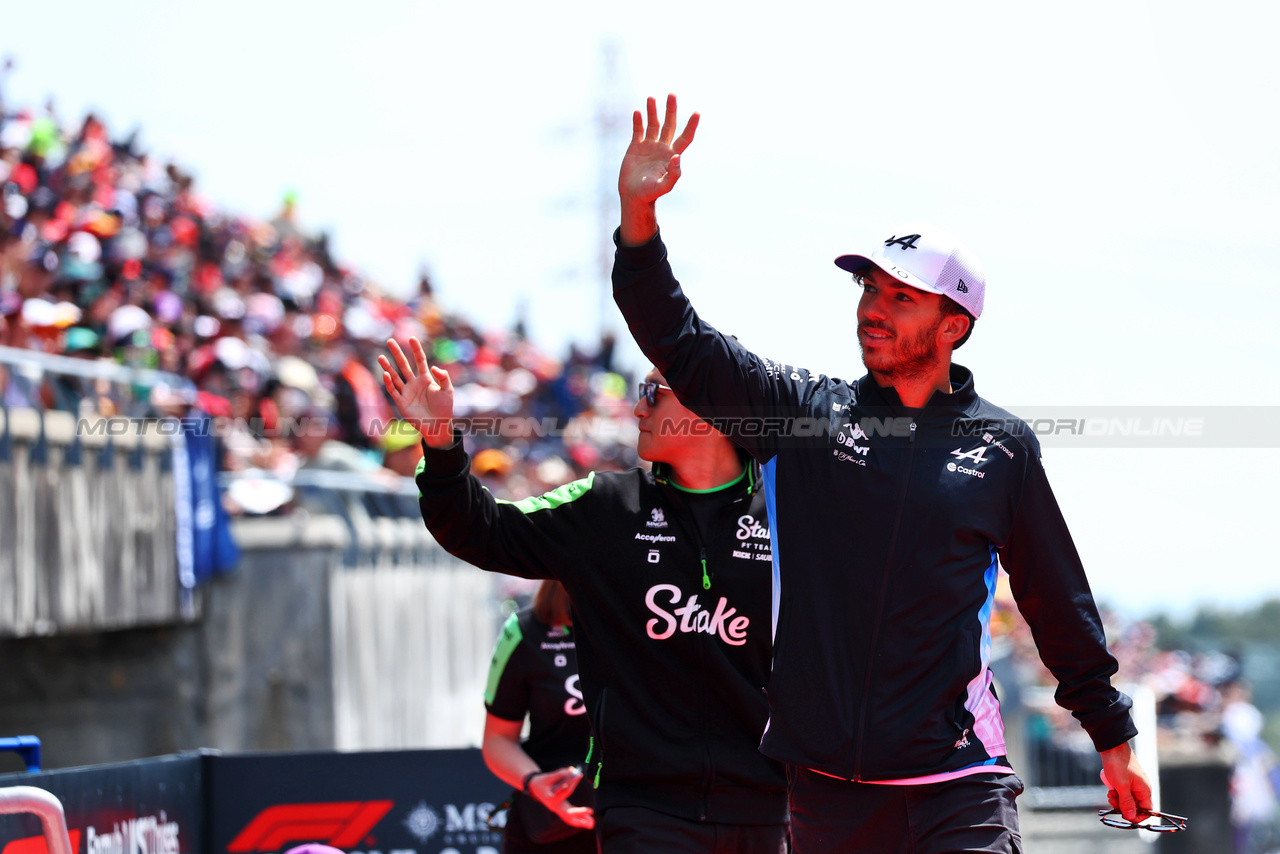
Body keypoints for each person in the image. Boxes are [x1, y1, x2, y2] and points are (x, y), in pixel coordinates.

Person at [609, 94, 1154, 853]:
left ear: (953, 325)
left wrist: (1112, 736)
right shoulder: (802, 414)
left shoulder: (1003, 447)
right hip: (827, 793)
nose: (874, 309)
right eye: (869, 289)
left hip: (958, 783)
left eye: (901, 297)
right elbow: (678, 338)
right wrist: (639, 217)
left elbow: (1055, 599)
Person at [379, 337, 788, 854]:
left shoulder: (788, 516)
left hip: (765, 810)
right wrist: (439, 443)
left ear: (709, 407)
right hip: (640, 809)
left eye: (652, 393)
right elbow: (479, 530)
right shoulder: (604, 507)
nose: (637, 406)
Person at [482, 580, 596, 854]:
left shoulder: (651, 619)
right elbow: (498, 740)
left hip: (637, 819)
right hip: (549, 823)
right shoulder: (523, 630)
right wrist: (534, 782)